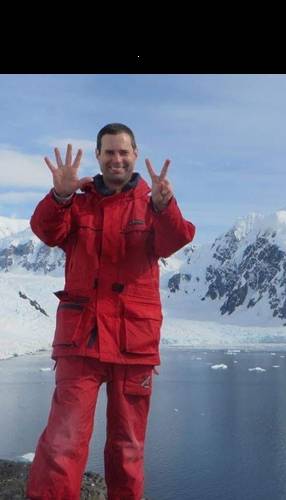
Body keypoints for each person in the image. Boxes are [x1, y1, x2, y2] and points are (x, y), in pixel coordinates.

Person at [26, 123, 196, 499]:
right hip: (80, 339)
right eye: (109, 152)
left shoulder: (152, 203)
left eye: (123, 152)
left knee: (127, 448)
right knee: (62, 442)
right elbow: (47, 231)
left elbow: (175, 239)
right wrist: (60, 195)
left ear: (134, 154)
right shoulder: (79, 200)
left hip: (133, 343)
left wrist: (165, 207)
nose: (116, 158)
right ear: (99, 156)